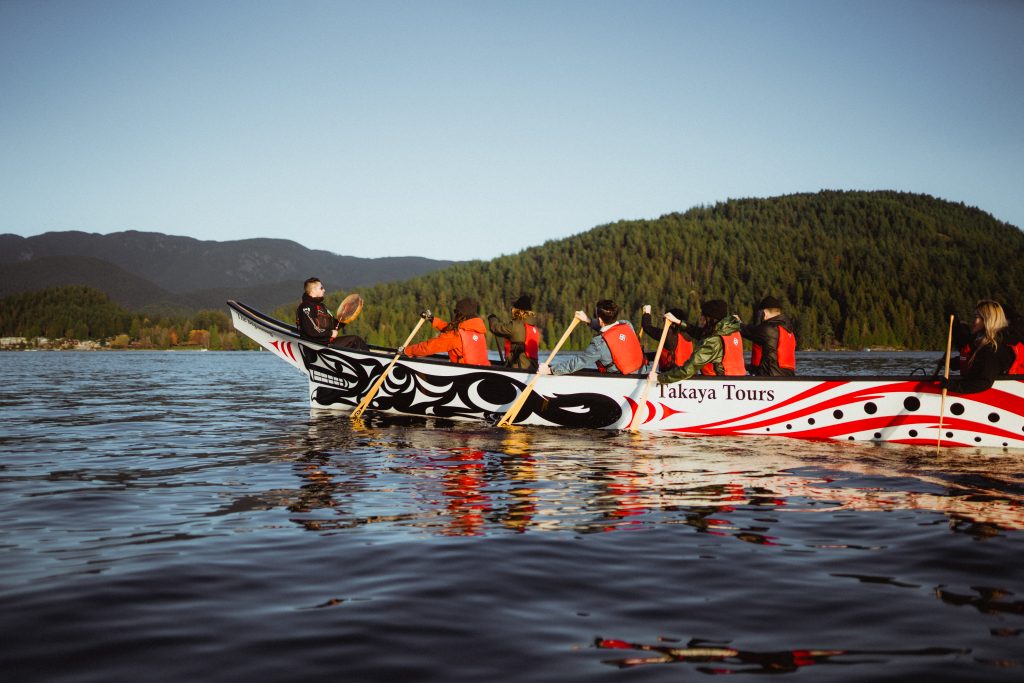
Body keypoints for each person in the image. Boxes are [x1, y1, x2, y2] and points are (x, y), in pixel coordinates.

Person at [537, 299, 644, 376]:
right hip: (641, 372)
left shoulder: (598, 345)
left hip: (620, 380)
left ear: (600, 320)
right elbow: (610, 331)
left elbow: (578, 362)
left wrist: (550, 370)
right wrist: (588, 320)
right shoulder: (626, 324)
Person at [657, 299, 745, 383]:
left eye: (703, 316)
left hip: (717, 388)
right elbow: (698, 332)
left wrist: (659, 378)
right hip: (738, 383)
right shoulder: (731, 331)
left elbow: (688, 370)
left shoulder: (713, 341)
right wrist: (678, 322)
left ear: (710, 318)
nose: (701, 319)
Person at [940, 300, 1016, 394]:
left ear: (987, 320)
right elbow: (968, 349)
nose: (973, 321)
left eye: (976, 317)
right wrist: (954, 363)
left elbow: (983, 382)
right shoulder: (979, 341)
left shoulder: (992, 348)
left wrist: (954, 386)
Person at [401, 297, 491, 365]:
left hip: (464, 376)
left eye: (456, 312)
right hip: (481, 371)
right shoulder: (477, 330)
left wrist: (406, 351)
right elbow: (450, 328)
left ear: (460, 314)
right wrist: (432, 319)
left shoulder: (456, 335)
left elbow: (428, 347)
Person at [295, 277, 368, 349]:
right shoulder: (305, 307)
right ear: (313, 290)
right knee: (355, 340)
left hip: (326, 343)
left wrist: (345, 319)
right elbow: (311, 330)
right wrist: (331, 333)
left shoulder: (321, 306)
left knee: (356, 341)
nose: (324, 290)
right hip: (317, 346)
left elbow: (333, 325)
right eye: (321, 288)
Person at [741, 295, 797, 376]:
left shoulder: (769, 329)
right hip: (788, 376)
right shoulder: (788, 330)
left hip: (770, 376)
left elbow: (747, 331)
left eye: (760, 313)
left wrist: (735, 323)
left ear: (764, 313)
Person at [488, 294, 541, 370]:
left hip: (518, 368)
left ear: (519, 311)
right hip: (532, 368)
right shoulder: (534, 328)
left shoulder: (515, 326)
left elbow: (495, 328)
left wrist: (492, 318)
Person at [641, 304, 696, 371]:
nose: (663, 323)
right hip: (686, 375)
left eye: (664, 320)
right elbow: (666, 355)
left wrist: (647, 313)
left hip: (671, 375)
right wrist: (647, 356)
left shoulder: (668, 335)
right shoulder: (688, 336)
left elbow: (646, 327)